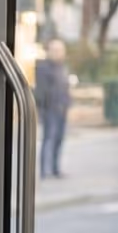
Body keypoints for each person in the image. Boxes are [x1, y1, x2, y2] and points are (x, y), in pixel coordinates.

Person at [33, 39, 73, 179]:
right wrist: (42, 109)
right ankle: (44, 171)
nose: (58, 53)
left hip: (62, 109)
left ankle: (56, 169)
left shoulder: (63, 67)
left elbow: (65, 87)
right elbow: (41, 91)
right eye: (55, 50)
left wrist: (68, 103)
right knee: (48, 139)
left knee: (59, 140)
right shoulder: (43, 67)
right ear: (49, 51)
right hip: (50, 110)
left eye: (60, 50)